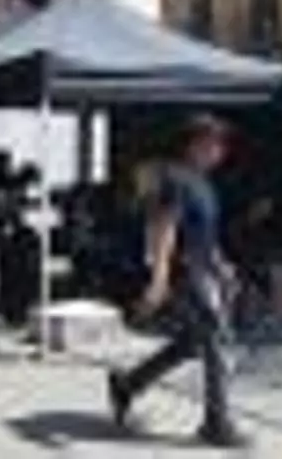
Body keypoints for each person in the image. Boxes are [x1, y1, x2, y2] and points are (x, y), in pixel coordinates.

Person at [106, 113, 246, 447]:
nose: (221, 151)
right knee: (214, 335)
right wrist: (159, 278)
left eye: (222, 145)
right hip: (184, 271)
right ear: (195, 144)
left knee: (192, 343)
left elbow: (205, 236)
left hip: (200, 268)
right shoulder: (175, 179)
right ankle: (216, 423)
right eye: (214, 144)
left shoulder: (204, 185)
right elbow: (163, 227)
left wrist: (222, 267)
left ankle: (128, 384)